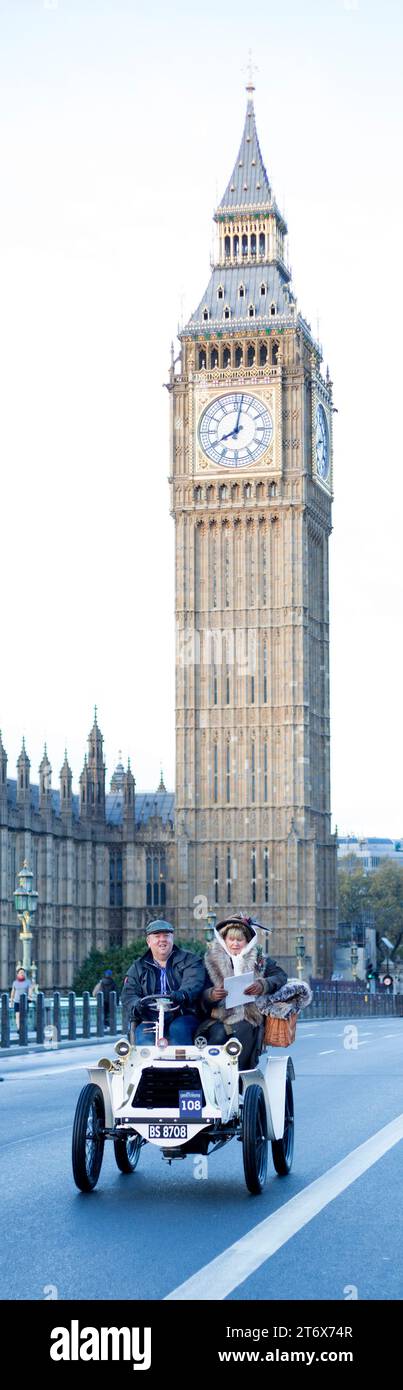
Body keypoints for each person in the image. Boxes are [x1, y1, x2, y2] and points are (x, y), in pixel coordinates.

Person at [199, 915, 287, 1069]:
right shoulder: (209, 961)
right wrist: (211, 994)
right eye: (231, 939)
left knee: (241, 1037)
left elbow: (280, 976)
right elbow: (198, 992)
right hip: (218, 1016)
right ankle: (211, 1076)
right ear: (224, 940)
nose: (235, 944)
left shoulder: (260, 960)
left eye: (239, 940)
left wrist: (263, 984)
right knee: (217, 1036)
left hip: (249, 1015)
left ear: (247, 941)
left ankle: (237, 1076)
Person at [121, 920, 205, 1045]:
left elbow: (194, 983)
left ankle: (182, 1063)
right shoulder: (137, 967)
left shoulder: (190, 961)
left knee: (178, 1030)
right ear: (149, 942)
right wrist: (136, 1004)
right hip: (150, 1018)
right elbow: (128, 994)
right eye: (157, 936)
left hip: (182, 1014)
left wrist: (182, 994)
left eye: (166, 936)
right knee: (144, 1039)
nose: (162, 940)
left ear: (172, 938)